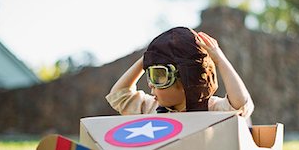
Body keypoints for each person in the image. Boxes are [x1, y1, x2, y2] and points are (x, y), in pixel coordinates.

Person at [106, 27, 254, 119]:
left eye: (159, 76)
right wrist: (147, 58)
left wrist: (220, 60)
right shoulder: (151, 108)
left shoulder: (212, 109)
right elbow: (119, 95)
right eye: (150, 75)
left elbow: (241, 105)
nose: (150, 84)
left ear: (186, 80)